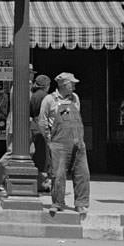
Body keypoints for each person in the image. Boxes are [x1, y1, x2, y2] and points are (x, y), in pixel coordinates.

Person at [39, 72, 90, 214]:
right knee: (58, 174)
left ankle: (81, 203)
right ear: (63, 84)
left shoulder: (75, 98)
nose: (74, 86)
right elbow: (42, 121)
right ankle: (57, 203)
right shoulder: (49, 100)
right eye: (71, 83)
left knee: (82, 173)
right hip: (59, 143)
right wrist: (49, 139)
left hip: (78, 142)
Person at [29, 74, 52, 192]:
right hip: (42, 128)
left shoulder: (32, 95)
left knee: (37, 156)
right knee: (43, 158)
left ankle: (40, 182)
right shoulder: (46, 97)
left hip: (34, 127)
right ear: (46, 85)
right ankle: (42, 183)